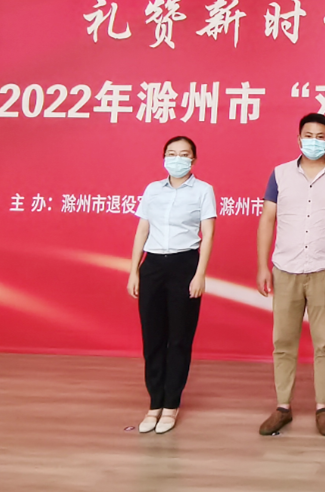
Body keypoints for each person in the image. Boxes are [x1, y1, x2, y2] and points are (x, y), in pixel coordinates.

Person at [256, 113, 325, 437]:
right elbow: (267, 219)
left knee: (324, 342)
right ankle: (283, 407)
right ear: (298, 138)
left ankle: (322, 407)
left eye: (320, 136)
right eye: (308, 135)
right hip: (285, 268)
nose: (314, 141)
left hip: (324, 270)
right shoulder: (280, 174)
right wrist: (262, 266)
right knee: (283, 341)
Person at [127, 136, 216, 434]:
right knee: (153, 338)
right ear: (164, 157)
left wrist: (200, 274)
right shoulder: (152, 190)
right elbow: (142, 230)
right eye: (172, 153)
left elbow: (208, 234)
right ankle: (154, 403)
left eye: (184, 154)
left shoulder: (203, 190)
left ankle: (171, 404)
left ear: (194, 159)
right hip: (152, 266)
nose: (177, 159)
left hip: (184, 264)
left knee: (179, 338)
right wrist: (134, 271)